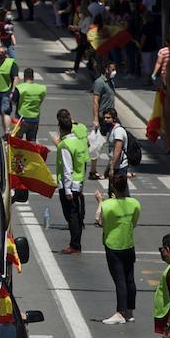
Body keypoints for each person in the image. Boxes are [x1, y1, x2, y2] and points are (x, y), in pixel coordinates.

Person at [94, 175, 140, 324]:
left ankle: (120, 312)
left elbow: (99, 220)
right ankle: (129, 311)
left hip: (113, 245)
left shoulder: (107, 205)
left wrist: (100, 201)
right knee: (130, 279)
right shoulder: (134, 203)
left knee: (119, 281)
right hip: (128, 244)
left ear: (113, 188)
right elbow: (134, 222)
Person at [54, 109, 89, 255]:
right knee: (76, 214)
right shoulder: (79, 142)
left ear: (61, 128)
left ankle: (75, 244)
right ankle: (76, 242)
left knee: (71, 216)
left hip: (68, 185)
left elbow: (67, 169)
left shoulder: (65, 145)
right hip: (79, 182)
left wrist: (67, 190)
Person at [0, 45, 18, 133]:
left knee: (5, 112)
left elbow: (16, 78)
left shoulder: (11, 63)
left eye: (2, 52)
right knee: (1, 113)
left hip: (7, 91)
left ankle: (7, 132)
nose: (0, 54)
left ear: (6, 54)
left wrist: (12, 91)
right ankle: (6, 131)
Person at [14, 67, 46, 141]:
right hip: (35, 118)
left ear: (24, 76)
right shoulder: (41, 88)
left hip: (21, 117)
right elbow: (40, 100)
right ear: (33, 77)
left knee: (17, 140)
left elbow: (13, 101)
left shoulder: (20, 88)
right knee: (32, 140)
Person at [99, 107, 129, 181]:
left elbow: (117, 151)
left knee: (118, 191)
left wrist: (112, 168)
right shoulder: (111, 130)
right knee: (112, 191)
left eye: (108, 118)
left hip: (120, 168)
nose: (105, 120)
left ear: (114, 119)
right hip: (115, 166)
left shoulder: (118, 131)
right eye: (104, 118)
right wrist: (107, 170)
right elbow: (112, 153)